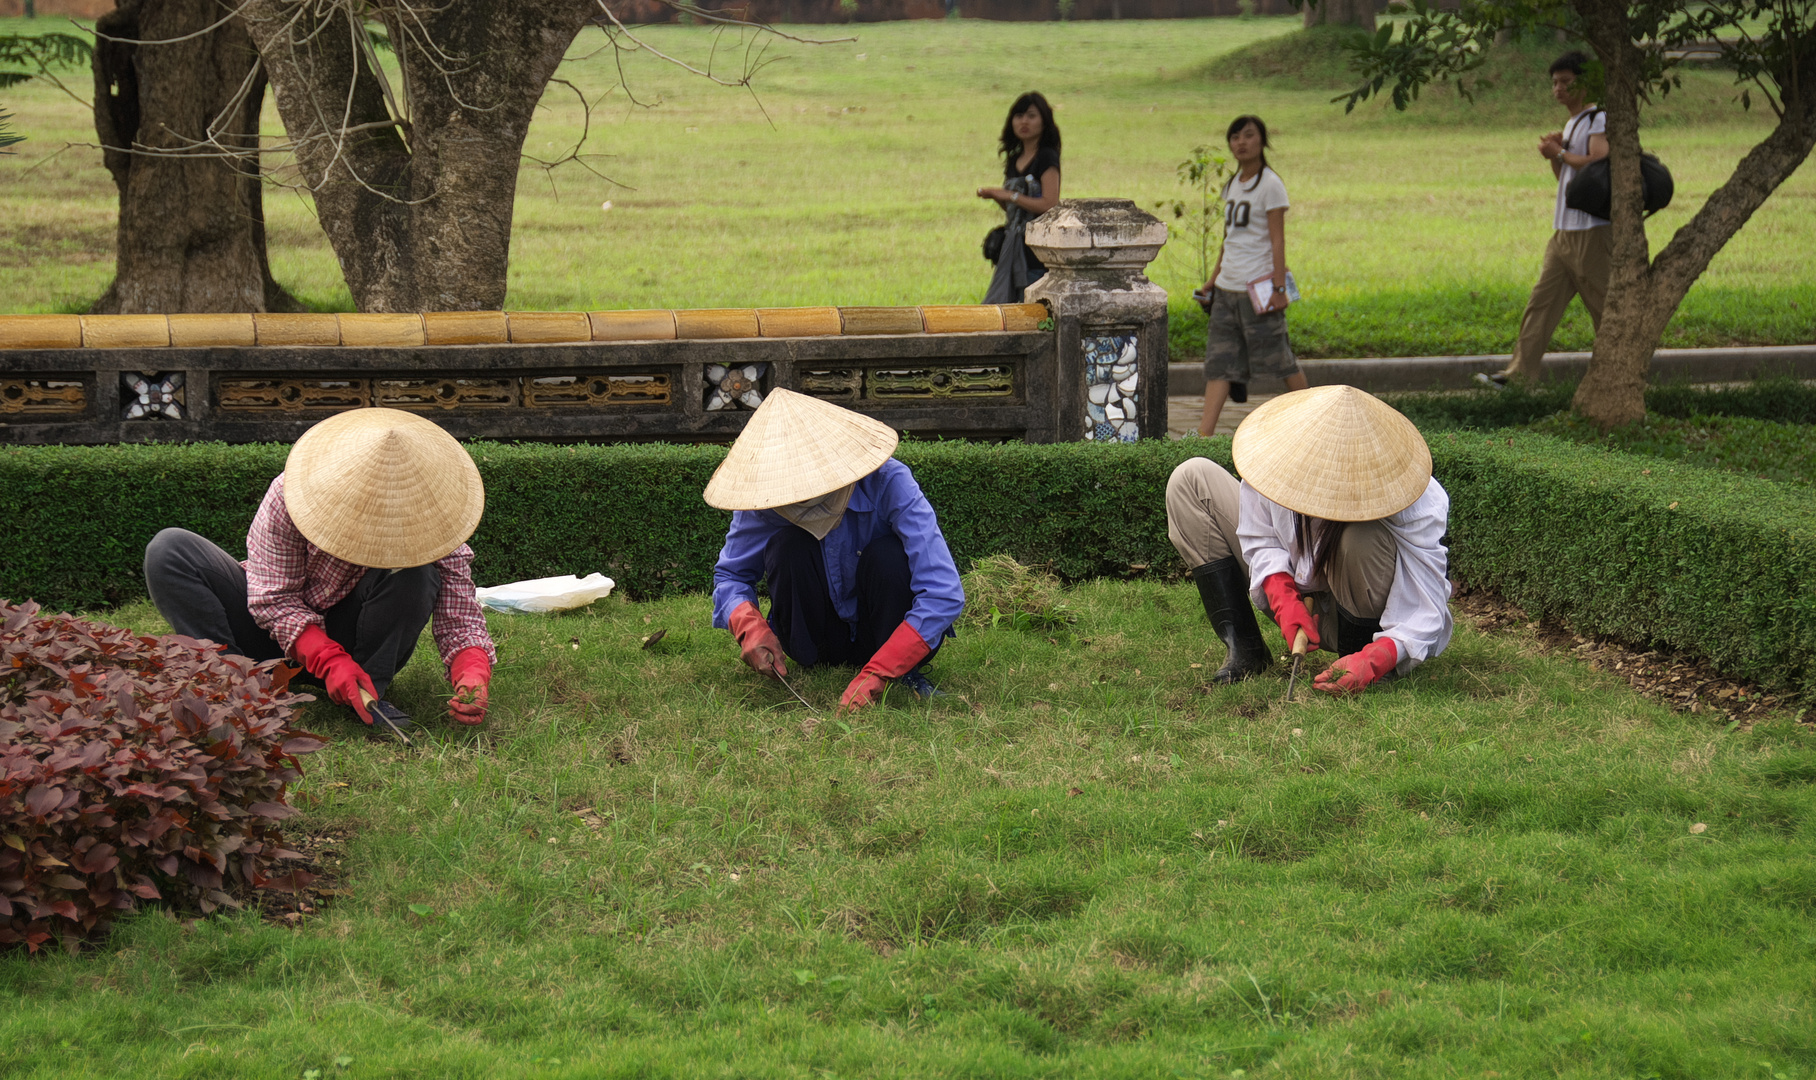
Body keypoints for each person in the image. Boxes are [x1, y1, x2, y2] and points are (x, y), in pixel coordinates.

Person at [144, 408, 496, 735]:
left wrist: (473, 671)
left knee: (419, 575)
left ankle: (366, 692)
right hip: (267, 635)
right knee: (170, 549)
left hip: (355, 643)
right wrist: (327, 659)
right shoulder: (291, 493)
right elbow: (273, 600)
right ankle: (231, 683)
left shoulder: (436, 522)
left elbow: (460, 616)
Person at [1165, 385, 1452, 692]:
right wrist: (1282, 595)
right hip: (1305, 609)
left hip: (1367, 622)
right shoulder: (1279, 457)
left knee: (1362, 537)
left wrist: (1377, 658)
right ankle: (1246, 650)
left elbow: (1428, 602)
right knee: (1190, 479)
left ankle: (1355, 661)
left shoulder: (1414, 494)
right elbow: (1259, 535)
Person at [706, 389, 965, 711]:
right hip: (816, 637)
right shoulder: (763, 496)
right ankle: (813, 659)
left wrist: (882, 669)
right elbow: (731, 575)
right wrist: (749, 627)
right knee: (788, 545)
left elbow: (943, 592)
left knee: (889, 556)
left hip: (886, 630)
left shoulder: (889, 481)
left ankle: (904, 670)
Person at [1478, 51, 1610, 389]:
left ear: (1585, 82)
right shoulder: (1572, 123)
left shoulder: (1598, 119)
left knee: (1605, 308)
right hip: (1564, 232)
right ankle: (1518, 377)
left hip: (1593, 234)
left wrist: (1562, 153)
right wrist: (1555, 154)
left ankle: (1616, 376)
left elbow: (1598, 161)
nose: (1559, 89)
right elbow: (1566, 179)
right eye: (1554, 83)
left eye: (1566, 82)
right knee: (1541, 302)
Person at [1197, 114, 1310, 437]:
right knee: (1219, 362)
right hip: (1226, 289)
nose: (1241, 143)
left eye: (1248, 136)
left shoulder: (1271, 185)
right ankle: (1203, 436)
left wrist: (1278, 285)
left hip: (1257, 289)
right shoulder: (1233, 184)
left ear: (1262, 141)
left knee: (1280, 359)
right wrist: (1212, 280)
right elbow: (1228, 237)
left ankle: (1313, 417)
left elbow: (1277, 238)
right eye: (1235, 137)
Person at [978, 91, 1062, 305]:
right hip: (1014, 248)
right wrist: (999, 198)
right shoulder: (1015, 159)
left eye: (1032, 116)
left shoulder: (1046, 157)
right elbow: (1018, 211)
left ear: (1044, 121)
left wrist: (1011, 195)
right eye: (1019, 115)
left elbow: (1049, 204)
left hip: (1036, 254)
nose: (1024, 121)